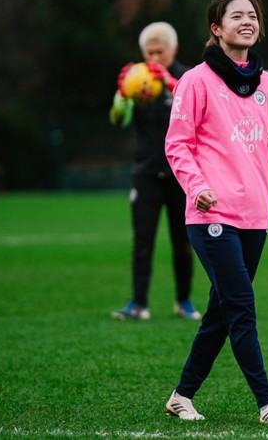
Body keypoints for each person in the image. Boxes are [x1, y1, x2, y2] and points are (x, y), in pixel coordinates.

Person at [162, 0, 268, 426]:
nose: (247, 22)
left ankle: (182, 395)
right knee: (241, 307)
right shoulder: (195, 81)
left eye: (252, 15)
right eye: (237, 16)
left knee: (221, 313)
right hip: (211, 214)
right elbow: (177, 144)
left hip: (255, 215)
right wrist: (196, 186)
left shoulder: (266, 83)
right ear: (216, 29)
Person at [110, 22, 200, 322]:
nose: (154, 57)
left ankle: (184, 302)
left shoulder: (188, 78)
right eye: (149, 52)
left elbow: (202, 118)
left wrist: (171, 82)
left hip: (182, 174)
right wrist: (122, 97)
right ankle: (138, 303)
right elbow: (118, 121)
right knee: (143, 239)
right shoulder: (137, 79)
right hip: (146, 170)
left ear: (173, 50)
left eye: (159, 51)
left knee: (182, 240)